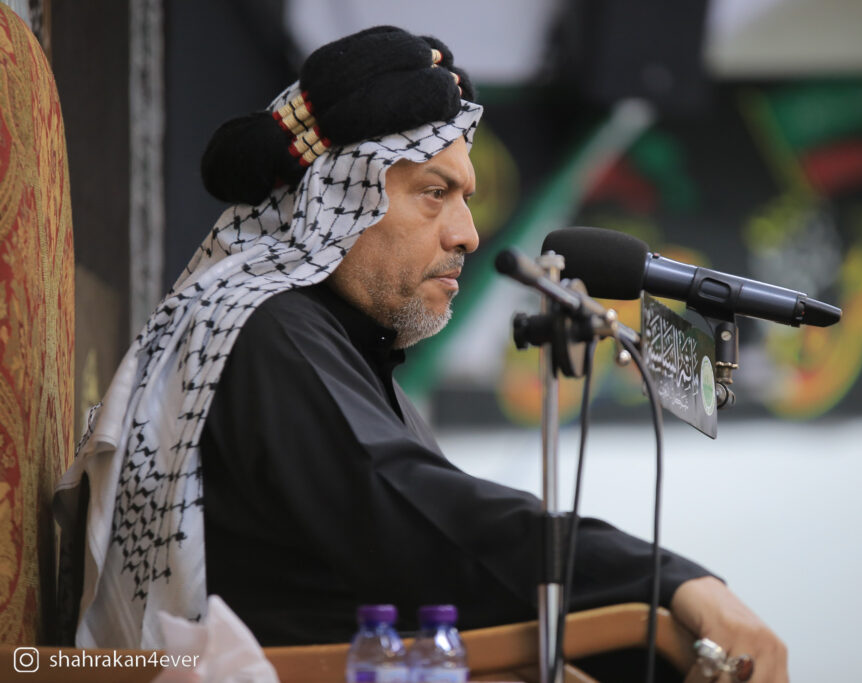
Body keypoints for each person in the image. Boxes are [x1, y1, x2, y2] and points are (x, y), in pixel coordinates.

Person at [55, 26, 788, 681]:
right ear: (335, 200)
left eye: (464, 198)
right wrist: (670, 584)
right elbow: (423, 525)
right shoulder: (263, 330)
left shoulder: (334, 347)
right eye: (435, 193)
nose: (468, 233)